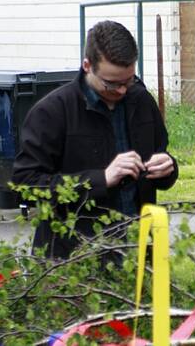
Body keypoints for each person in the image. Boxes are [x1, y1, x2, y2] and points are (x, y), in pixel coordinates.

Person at [12, 20, 178, 259]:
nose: (122, 90)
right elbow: (26, 186)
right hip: (73, 262)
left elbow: (160, 158)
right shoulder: (53, 111)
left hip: (138, 256)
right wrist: (101, 179)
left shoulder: (141, 101)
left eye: (128, 80)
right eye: (112, 83)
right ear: (87, 65)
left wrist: (168, 168)